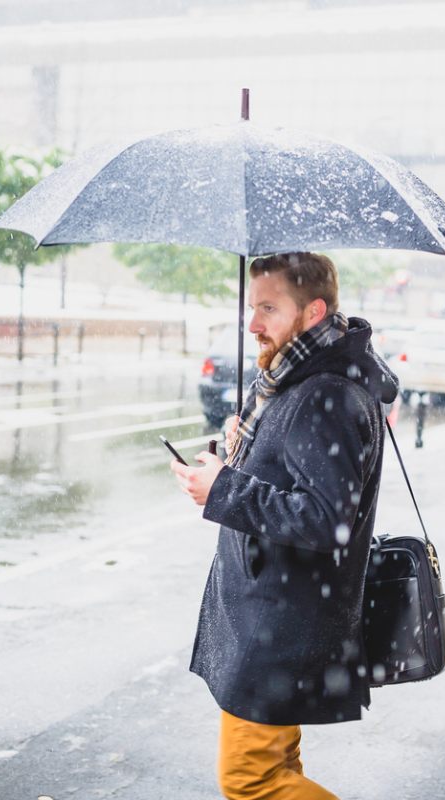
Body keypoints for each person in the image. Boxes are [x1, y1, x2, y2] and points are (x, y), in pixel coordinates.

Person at [171, 251, 399, 800]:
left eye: (269, 308)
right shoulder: (296, 380)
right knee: (281, 770)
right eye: (253, 307)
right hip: (275, 618)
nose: (253, 323)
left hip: (281, 623)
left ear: (314, 310)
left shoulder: (325, 394)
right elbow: (290, 476)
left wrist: (223, 490)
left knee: (255, 782)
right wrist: (235, 459)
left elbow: (325, 519)